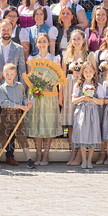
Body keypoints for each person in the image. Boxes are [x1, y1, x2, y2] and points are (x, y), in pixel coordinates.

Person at [0, 19, 27, 167]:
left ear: (12, 31)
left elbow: (22, 71)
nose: (6, 32)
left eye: (8, 29)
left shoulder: (19, 49)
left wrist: (21, 92)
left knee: (11, 124)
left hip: (13, 93)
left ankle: (10, 155)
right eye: (3, 29)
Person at [26, 33, 62, 166]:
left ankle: (46, 154)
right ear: (36, 44)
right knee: (36, 125)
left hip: (50, 96)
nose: (42, 44)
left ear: (48, 43)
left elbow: (58, 79)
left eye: (44, 41)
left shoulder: (55, 59)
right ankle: (38, 154)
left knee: (48, 124)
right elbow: (29, 78)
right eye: (39, 42)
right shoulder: (31, 58)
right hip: (36, 95)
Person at [0, 63, 35, 169]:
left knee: (21, 136)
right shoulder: (2, 88)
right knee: (2, 136)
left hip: (17, 114)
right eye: (7, 74)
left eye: (11, 74)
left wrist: (26, 102)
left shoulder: (20, 86)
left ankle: (29, 160)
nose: (9, 76)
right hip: (6, 114)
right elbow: (4, 103)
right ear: (3, 74)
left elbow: (23, 97)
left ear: (15, 74)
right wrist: (21, 106)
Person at [60, 29, 89, 165]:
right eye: (74, 39)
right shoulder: (66, 55)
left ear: (83, 40)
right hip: (68, 86)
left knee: (80, 122)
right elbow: (62, 76)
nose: (76, 41)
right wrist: (61, 94)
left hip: (82, 86)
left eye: (78, 39)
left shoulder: (88, 55)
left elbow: (93, 73)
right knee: (70, 123)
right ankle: (73, 153)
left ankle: (80, 154)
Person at [71, 61, 103, 169]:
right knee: (83, 134)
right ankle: (83, 160)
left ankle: (90, 160)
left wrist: (92, 98)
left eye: (90, 71)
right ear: (82, 73)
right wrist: (83, 97)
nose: (88, 73)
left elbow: (101, 102)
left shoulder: (98, 86)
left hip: (93, 111)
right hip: (82, 111)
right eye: (86, 71)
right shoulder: (78, 85)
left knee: (92, 134)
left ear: (94, 72)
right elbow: (73, 100)